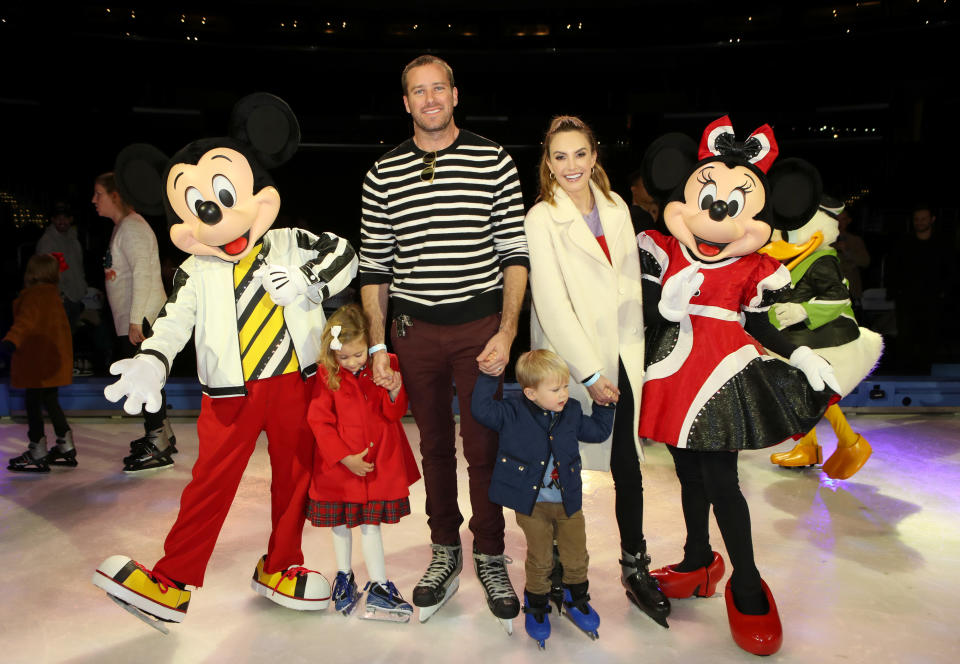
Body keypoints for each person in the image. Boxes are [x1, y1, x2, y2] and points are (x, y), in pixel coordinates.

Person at [639, 117, 837, 655]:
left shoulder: (752, 266)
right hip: (673, 370)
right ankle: (700, 558)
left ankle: (745, 580)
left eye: (735, 203)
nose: (716, 214)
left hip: (722, 375)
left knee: (720, 478)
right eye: (707, 197)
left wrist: (798, 351)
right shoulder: (662, 249)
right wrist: (665, 306)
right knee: (686, 470)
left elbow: (757, 321)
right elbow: (639, 308)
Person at [359, 54, 529, 627]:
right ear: (405, 103)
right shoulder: (382, 172)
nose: (429, 99)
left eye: (439, 89)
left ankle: (490, 553)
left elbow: (514, 255)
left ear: (455, 95)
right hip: (414, 333)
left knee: (483, 447)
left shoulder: (492, 158)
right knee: (434, 448)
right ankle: (444, 551)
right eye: (417, 91)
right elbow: (376, 269)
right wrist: (379, 347)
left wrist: (507, 331)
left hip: (480, 330)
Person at [522, 115, 670, 627]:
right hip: (567, 364)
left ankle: (635, 563)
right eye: (559, 156)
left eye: (579, 154)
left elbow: (629, 285)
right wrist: (587, 373)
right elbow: (552, 304)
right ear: (548, 163)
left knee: (627, 466)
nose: (571, 166)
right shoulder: (541, 218)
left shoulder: (617, 210)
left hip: (623, 355)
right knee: (561, 468)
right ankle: (557, 568)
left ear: (594, 156)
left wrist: (631, 357)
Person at [472, 349, 614, 647]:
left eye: (564, 386)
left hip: (568, 502)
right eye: (555, 389)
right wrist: (488, 376)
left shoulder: (572, 411)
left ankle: (578, 599)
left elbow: (599, 431)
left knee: (577, 555)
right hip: (532, 505)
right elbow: (481, 409)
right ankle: (536, 603)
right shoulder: (511, 412)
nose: (564, 393)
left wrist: (605, 405)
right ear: (530, 393)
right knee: (541, 558)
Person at [306, 304, 421, 621]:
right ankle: (344, 577)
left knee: (371, 526)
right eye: (344, 357)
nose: (353, 362)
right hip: (340, 471)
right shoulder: (327, 374)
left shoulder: (384, 366)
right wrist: (344, 458)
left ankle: (380, 585)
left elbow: (393, 414)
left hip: (377, 465)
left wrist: (395, 389)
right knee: (339, 523)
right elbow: (319, 421)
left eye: (358, 355)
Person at [93, 172, 175, 471]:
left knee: (146, 377)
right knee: (148, 376)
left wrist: (136, 320)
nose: (94, 200)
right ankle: (161, 434)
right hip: (137, 317)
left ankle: (157, 441)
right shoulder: (125, 227)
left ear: (115, 195)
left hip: (143, 318)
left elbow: (143, 273)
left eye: (98, 194)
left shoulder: (132, 228)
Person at [4, 254, 76, 472]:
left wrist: (9, 342)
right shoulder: (52, 295)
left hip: (37, 363)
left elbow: (25, 323)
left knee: (33, 404)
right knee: (50, 401)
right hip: (51, 362)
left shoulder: (35, 296)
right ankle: (65, 444)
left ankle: (38, 449)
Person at [35, 203, 87, 330]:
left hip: (76, 297)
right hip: (60, 301)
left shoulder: (74, 240)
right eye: (58, 218)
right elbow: (46, 274)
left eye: (65, 218)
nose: (62, 221)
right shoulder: (48, 242)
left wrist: (83, 288)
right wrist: (61, 296)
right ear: (53, 220)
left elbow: (78, 268)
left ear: (71, 219)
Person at [627, 170, 661, 234]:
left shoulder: (629, 214)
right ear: (634, 190)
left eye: (651, 186)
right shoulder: (639, 217)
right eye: (645, 186)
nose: (650, 189)